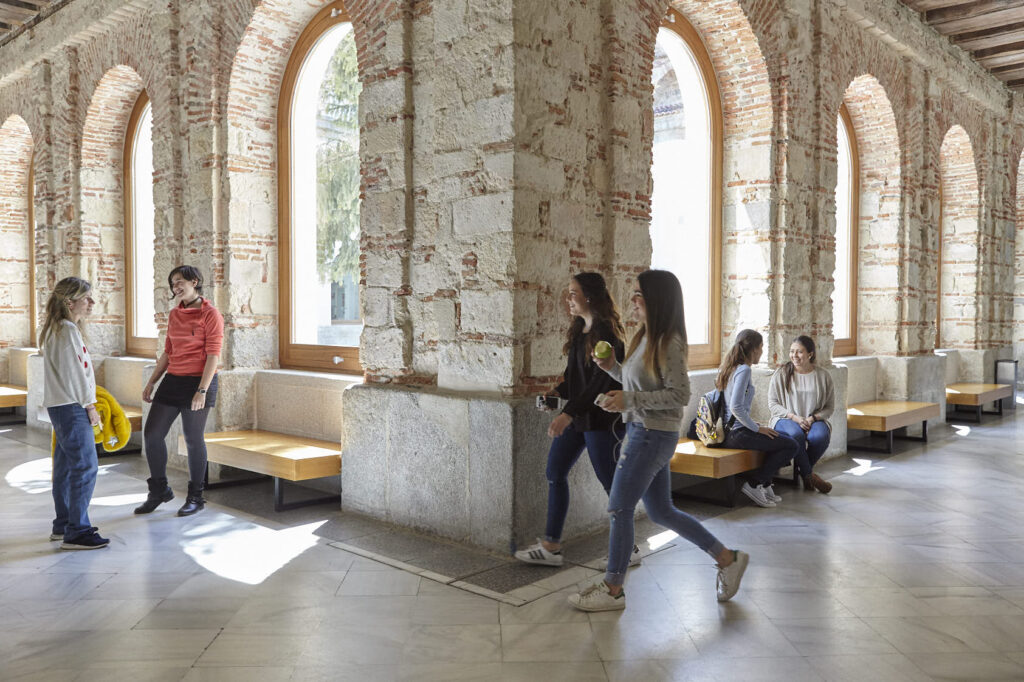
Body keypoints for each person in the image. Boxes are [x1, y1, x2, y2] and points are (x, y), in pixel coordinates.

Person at [569, 269, 749, 612]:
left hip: (652, 435)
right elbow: (634, 382)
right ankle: (728, 558)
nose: (633, 300)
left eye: (639, 294)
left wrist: (629, 401)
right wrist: (611, 368)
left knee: (619, 506)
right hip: (642, 431)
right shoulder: (643, 338)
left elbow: (680, 394)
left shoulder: (670, 343)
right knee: (661, 510)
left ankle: (613, 589)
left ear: (657, 300)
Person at [515, 273, 637, 567]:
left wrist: (567, 414)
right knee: (555, 472)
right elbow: (575, 378)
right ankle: (551, 546)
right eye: (568, 293)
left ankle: (628, 549)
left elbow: (598, 382)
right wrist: (556, 393)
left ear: (590, 297)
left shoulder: (608, 334)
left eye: (573, 293)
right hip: (579, 418)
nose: (568, 299)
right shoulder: (580, 330)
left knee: (611, 485)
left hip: (602, 420)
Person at [136, 266, 223, 517]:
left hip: (199, 381)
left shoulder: (211, 314)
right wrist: (152, 381)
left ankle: (196, 496)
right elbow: (169, 351)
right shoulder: (175, 314)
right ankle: (159, 490)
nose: (176, 287)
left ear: (194, 282)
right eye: (173, 283)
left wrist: (202, 391)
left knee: (193, 439)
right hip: (173, 380)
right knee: (152, 435)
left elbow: (213, 355)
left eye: (180, 282)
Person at [40, 277, 109, 550]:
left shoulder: (56, 328)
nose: (91, 303)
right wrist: (90, 405)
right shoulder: (67, 329)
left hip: (61, 405)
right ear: (70, 302)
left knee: (66, 467)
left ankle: (63, 524)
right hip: (72, 405)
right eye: (87, 297)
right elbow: (75, 374)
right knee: (85, 466)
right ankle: (77, 531)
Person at [718, 329, 799, 508]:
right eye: (761, 347)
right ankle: (755, 484)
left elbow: (735, 409)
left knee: (778, 438)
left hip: (733, 431)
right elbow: (736, 407)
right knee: (791, 445)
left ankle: (766, 483)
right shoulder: (744, 370)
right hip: (737, 435)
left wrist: (754, 424)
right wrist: (757, 429)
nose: (762, 352)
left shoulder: (731, 367)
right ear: (753, 349)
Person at [768, 335, 835, 493]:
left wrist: (812, 419)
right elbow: (773, 404)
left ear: (810, 354)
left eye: (799, 352)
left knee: (820, 436)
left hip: (813, 419)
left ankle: (805, 473)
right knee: (796, 434)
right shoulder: (781, 373)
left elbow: (829, 407)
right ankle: (809, 476)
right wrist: (795, 417)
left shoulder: (823, 376)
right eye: (792, 351)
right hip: (785, 418)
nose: (794, 356)